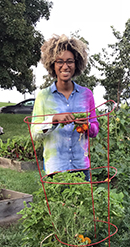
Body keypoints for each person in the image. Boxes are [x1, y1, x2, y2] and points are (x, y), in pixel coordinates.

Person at [31, 34, 99, 181]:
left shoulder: (86, 95)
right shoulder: (44, 96)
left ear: (76, 64)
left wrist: (87, 125)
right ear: (52, 65)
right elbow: (35, 134)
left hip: (81, 168)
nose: (65, 66)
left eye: (70, 61)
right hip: (55, 169)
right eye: (59, 62)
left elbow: (95, 129)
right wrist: (54, 120)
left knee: (83, 203)